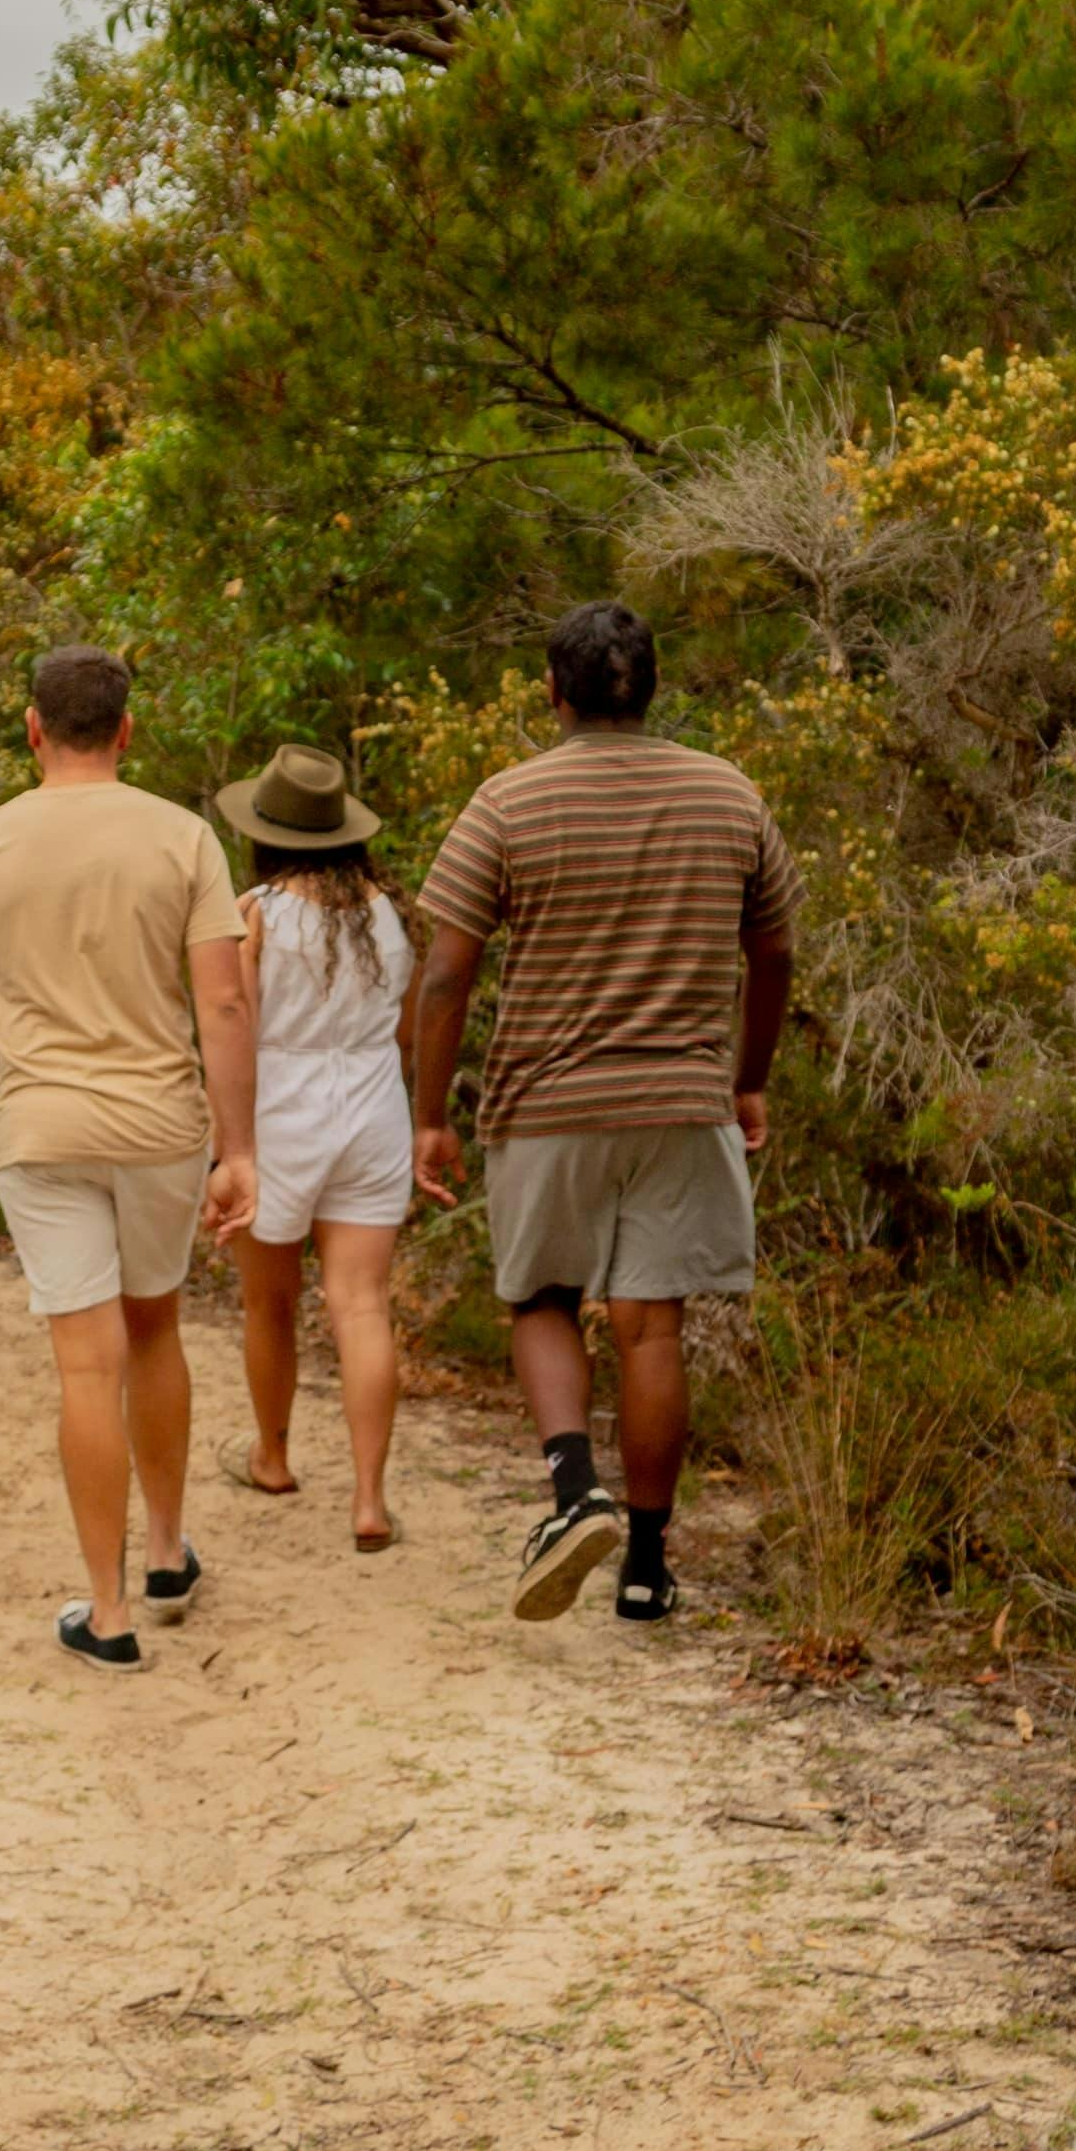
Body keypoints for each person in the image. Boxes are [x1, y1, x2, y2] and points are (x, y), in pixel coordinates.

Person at [402, 601, 794, 1625]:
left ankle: (575, 1493)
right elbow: (777, 949)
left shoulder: (506, 804)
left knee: (540, 1297)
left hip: (548, 1100)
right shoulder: (731, 796)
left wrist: (430, 1114)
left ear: (553, 689)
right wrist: (747, 1077)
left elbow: (446, 976)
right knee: (650, 1324)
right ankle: (649, 1568)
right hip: (683, 1098)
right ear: (653, 686)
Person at [0, 647, 256, 1669]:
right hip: (160, 1123)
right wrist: (237, 1149)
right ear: (126, 731)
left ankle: (107, 1613)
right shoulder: (182, 838)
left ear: (33, 729)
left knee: (85, 1361)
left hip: (42, 1127)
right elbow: (226, 999)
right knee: (155, 1330)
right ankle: (166, 1555)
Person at [209, 743, 415, 1556]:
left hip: (280, 1112)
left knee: (270, 1302)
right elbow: (403, 1030)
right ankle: (369, 1500)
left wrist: (228, 1146)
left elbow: (238, 1026)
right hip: (372, 1109)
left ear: (266, 833)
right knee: (361, 1304)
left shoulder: (255, 913)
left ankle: (273, 1456)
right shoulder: (388, 914)